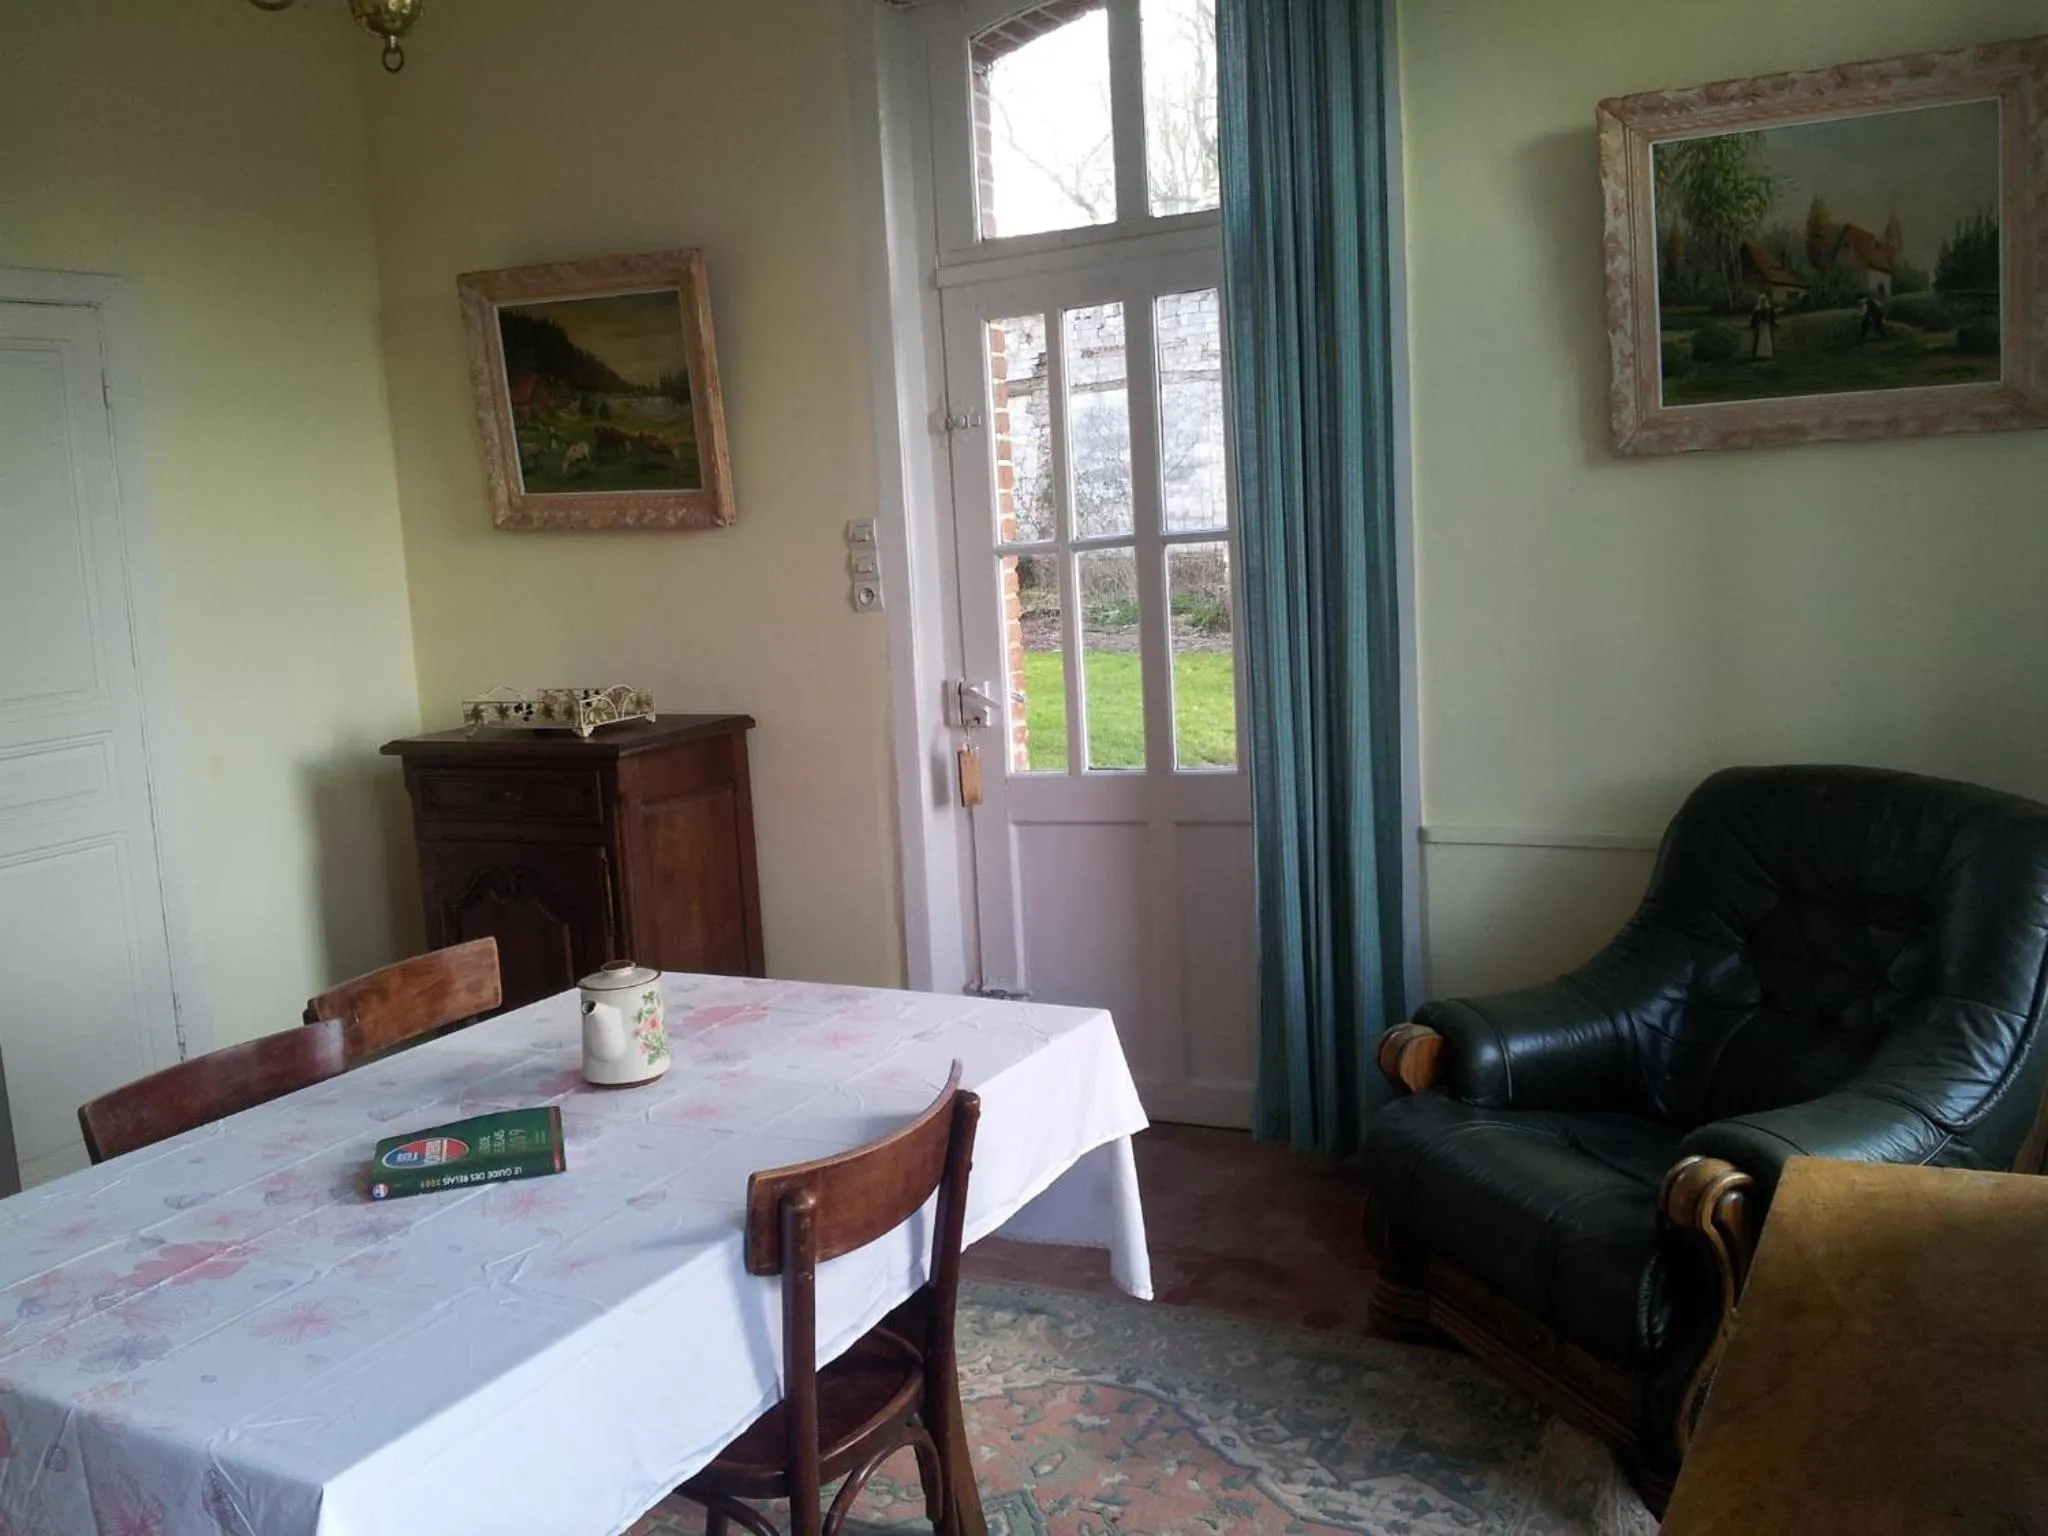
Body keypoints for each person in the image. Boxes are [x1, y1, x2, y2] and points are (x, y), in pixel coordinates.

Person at [1750, 292, 1777, 360]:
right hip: (1764, 326)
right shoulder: (1768, 310)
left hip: (1762, 326)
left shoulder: (1759, 310)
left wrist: (1753, 324)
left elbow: (1754, 319)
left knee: (1762, 340)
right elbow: (1772, 318)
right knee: (1765, 339)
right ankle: (1766, 353)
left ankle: (1763, 354)